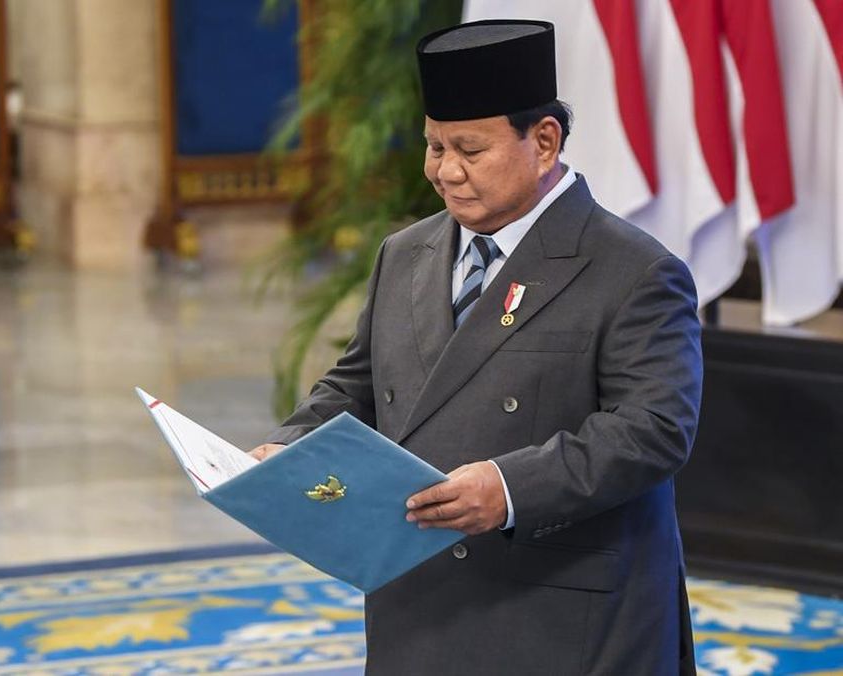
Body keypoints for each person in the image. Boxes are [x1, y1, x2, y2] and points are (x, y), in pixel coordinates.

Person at [250, 19, 701, 675]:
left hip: (562, 614)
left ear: (543, 142)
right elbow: (357, 385)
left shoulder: (635, 270)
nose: (445, 172)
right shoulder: (405, 253)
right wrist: (289, 449)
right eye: (434, 146)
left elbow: (653, 430)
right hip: (418, 598)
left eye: (470, 149)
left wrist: (511, 488)